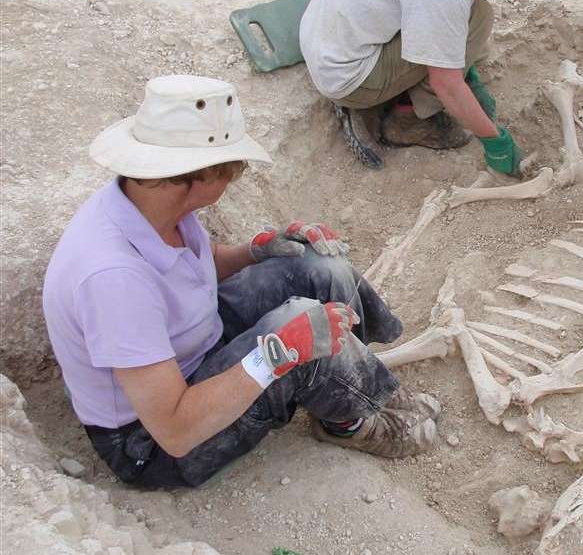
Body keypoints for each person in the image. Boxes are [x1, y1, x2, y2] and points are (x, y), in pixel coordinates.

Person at [42, 75, 440, 489]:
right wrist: (278, 353)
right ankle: (348, 421)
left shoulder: (151, 202)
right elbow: (174, 431)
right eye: (230, 171)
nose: (234, 178)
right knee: (299, 324)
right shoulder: (113, 280)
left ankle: (360, 382)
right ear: (198, 175)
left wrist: (258, 250)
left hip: (195, 345)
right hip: (150, 443)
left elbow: (196, 264)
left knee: (318, 266)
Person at [300, 0, 548, 173]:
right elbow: (446, 83)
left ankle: (399, 96)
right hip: (347, 75)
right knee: (478, 17)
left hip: (322, 37)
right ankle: (407, 121)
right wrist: (494, 141)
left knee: (468, 14)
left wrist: (469, 72)